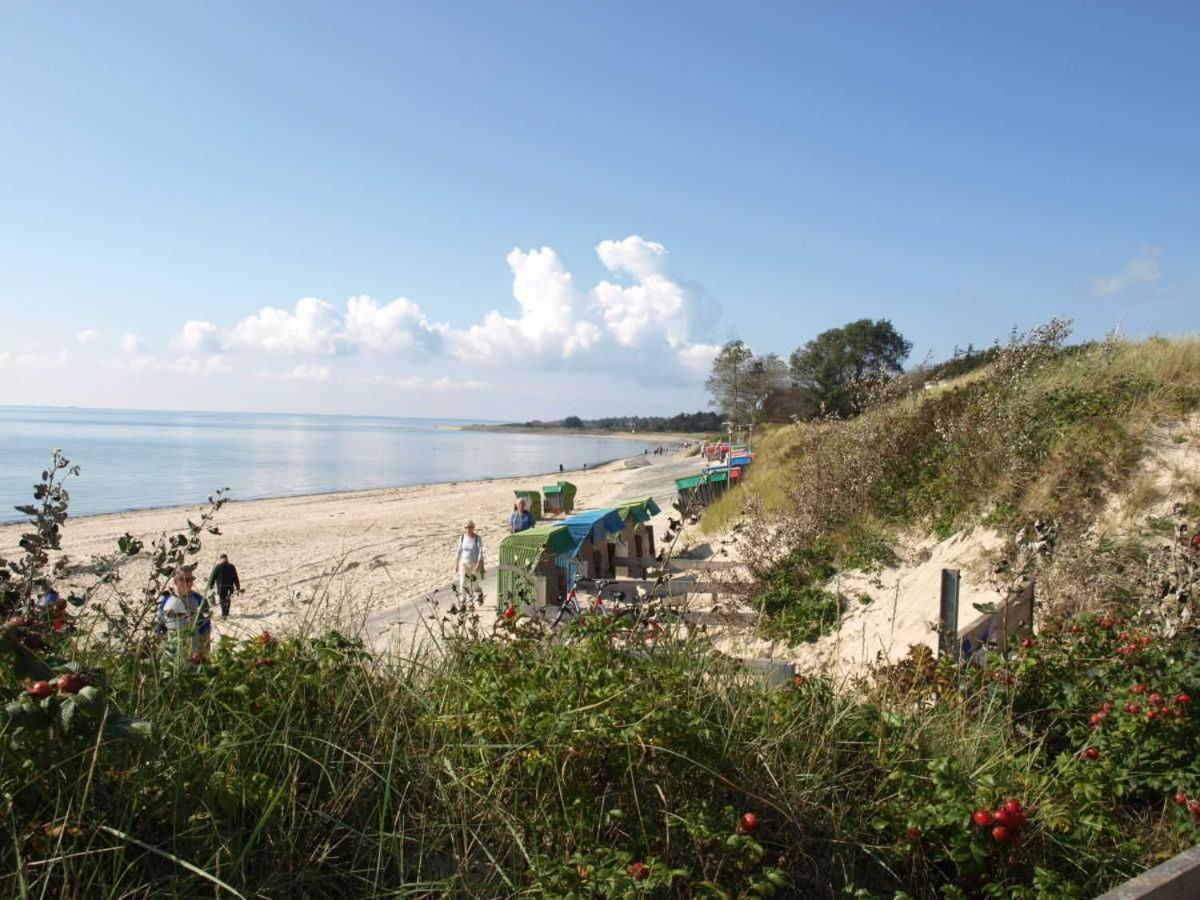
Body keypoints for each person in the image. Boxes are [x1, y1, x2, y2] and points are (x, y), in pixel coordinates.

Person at [154, 564, 212, 659]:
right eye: (183, 579)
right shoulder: (166, 600)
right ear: (175, 581)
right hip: (171, 655)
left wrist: (203, 653)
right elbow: (159, 627)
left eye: (190, 580)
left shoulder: (200, 601)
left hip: (193, 655)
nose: (187, 583)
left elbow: (206, 631)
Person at [454, 520, 485, 600]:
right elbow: (459, 551)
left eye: (470, 527)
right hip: (464, 564)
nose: (468, 529)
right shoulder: (462, 538)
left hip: (474, 564)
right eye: (467, 527)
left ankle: (479, 594)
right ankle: (463, 600)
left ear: (473, 528)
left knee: (475, 584)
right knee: (462, 582)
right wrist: (456, 564)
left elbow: (480, 551)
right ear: (465, 528)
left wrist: (478, 563)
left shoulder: (477, 538)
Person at [207, 553, 241, 618]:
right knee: (228, 599)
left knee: (222, 599)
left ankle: (224, 614)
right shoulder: (231, 566)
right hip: (230, 586)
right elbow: (236, 577)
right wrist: (238, 587)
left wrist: (211, 585)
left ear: (221, 559)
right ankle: (227, 612)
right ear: (227, 558)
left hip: (221, 587)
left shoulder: (218, 567)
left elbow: (213, 577)